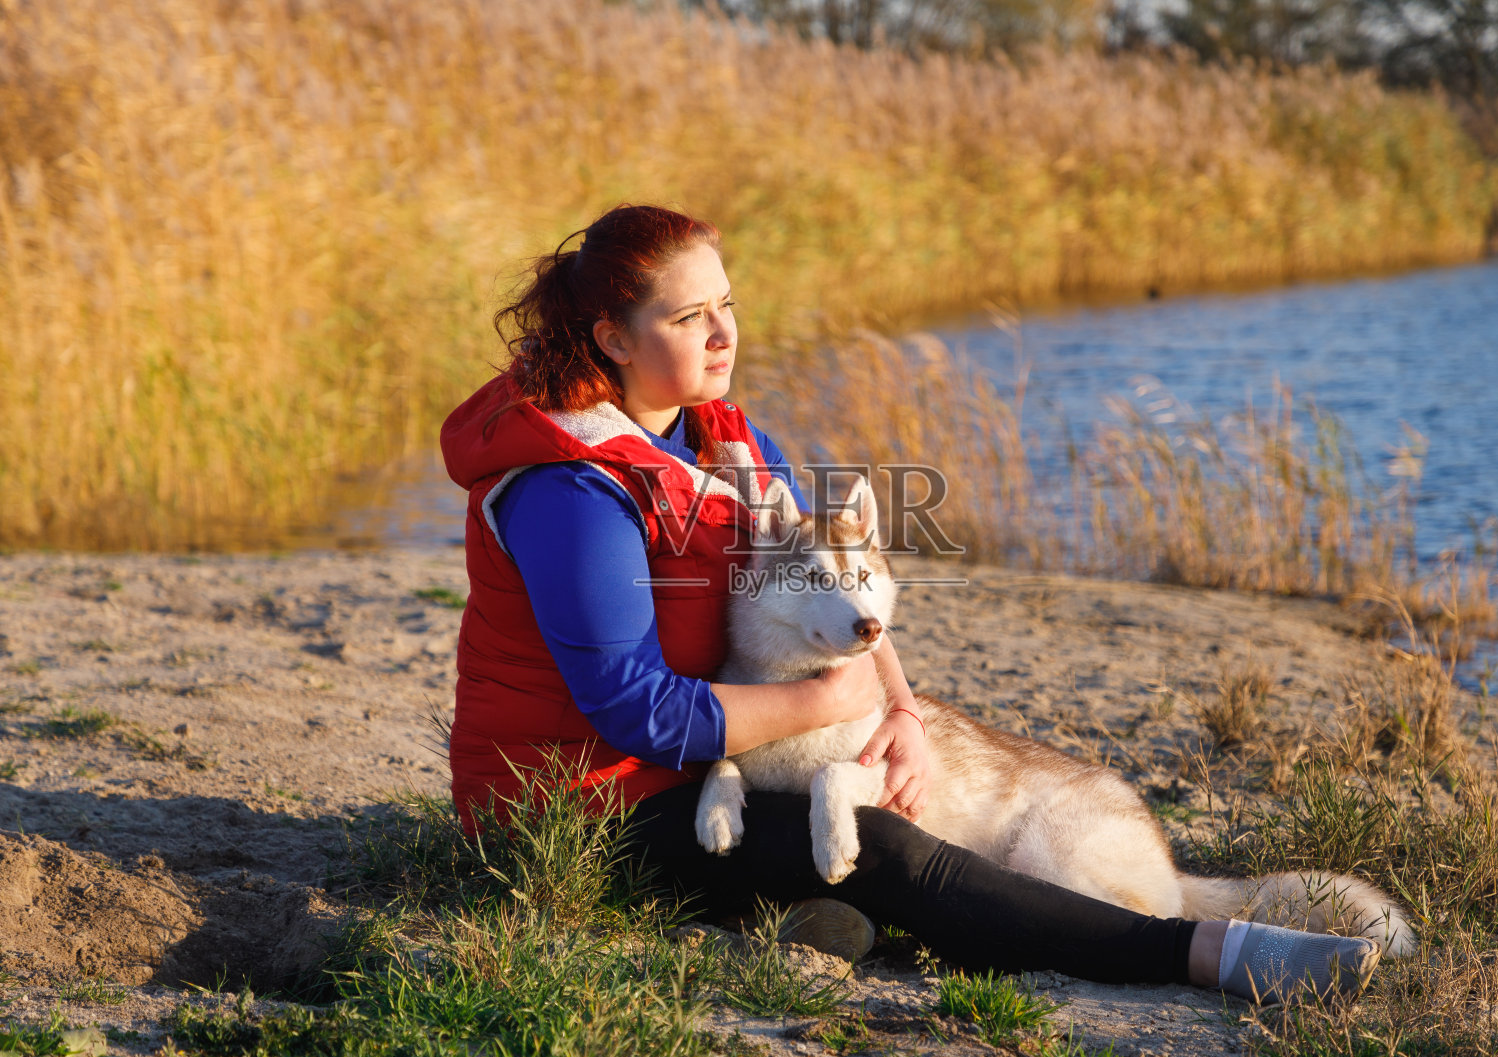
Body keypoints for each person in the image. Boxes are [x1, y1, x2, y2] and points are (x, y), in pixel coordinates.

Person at [439, 204, 1380, 1003]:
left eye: (727, 305)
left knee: (878, 803)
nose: (725, 334)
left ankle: (794, 909)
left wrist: (898, 707)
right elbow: (632, 709)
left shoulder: (718, 436)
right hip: (579, 803)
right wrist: (834, 702)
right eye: (691, 318)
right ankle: (1210, 954)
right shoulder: (570, 488)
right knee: (886, 845)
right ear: (613, 339)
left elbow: (829, 573)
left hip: (700, 765)